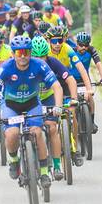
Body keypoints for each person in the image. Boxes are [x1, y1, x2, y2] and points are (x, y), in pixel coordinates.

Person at [0, 35, 62, 185]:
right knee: (12, 133)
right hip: (10, 105)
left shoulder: (39, 65)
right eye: (19, 52)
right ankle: (14, 160)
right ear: (13, 54)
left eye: (26, 52)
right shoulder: (5, 68)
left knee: (37, 132)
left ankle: (44, 173)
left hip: (32, 104)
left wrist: (58, 106)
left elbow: (57, 87)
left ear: (30, 53)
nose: (23, 56)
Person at [31, 36, 80, 179]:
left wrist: (74, 98)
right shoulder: (26, 65)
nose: (40, 60)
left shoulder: (53, 62)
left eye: (43, 56)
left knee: (52, 127)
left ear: (47, 55)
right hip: (32, 99)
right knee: (33, 129)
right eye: (36, 56)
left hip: (48, 97)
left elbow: (70, 79)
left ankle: (57, 165)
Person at [73, 31, 102, 133]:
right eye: (81, 45)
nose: (83, 47)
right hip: (72, 80)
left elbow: (98, 63)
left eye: (86, 45)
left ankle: (91, 121)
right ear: (77, 43)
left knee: (89, 97)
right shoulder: (72, 51)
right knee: (73, 101)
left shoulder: (91, 50)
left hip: (85, 80)